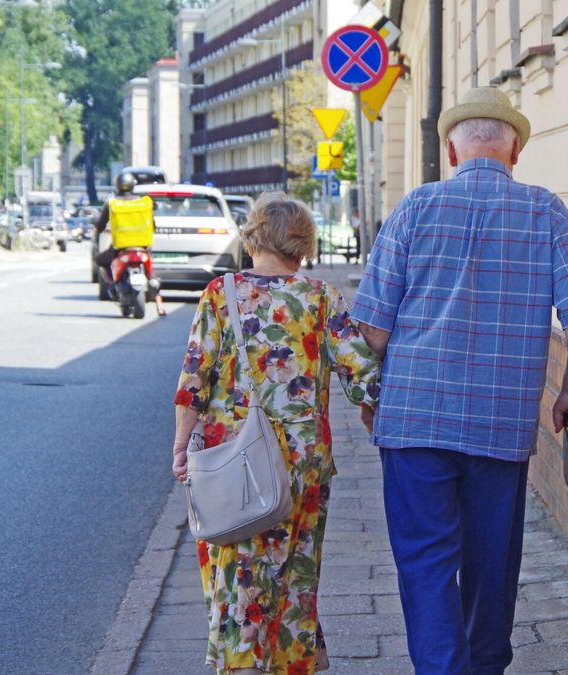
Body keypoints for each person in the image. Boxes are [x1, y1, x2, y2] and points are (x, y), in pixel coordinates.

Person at [350, 86, 568, 675]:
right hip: (500, 423)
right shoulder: (545, 211)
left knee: (425, 564)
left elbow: (373, 330)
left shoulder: (415, 207)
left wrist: (369, 397)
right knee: (492, 564)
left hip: (414, 420)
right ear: (515, 153)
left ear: (450, 151)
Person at [171, 192, 382, 675]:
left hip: (233, 459)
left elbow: (193, 379)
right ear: (303, 245)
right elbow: (362, 375)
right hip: (304, 461)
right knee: (295, 570)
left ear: (254, 236)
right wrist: (374, 411)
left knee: (238, 569)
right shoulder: (321, 297)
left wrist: (182, 445)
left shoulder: (220, 294)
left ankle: (242, 662)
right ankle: (291, 661)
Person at [93, 172, 167, 316]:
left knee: (100, 260)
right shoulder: (144, 202)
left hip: (121, 247)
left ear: (117, 186)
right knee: (151, 274)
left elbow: (100, 225)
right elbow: (153, 225)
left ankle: (113, 284)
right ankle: (160, 306)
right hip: (143, 246)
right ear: (133, 185)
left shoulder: (112, 203)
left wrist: (98, 230)